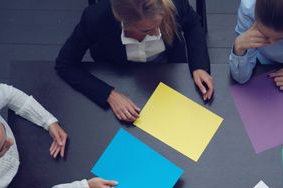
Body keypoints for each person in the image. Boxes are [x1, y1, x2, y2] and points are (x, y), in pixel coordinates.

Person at [55, 0, 213, 122]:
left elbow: (193, 24)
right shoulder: (95, 19)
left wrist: (199, 66)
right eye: (146, 30)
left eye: (159, 23)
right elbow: (65, 64)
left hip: (168, 72)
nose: (158, 33)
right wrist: (109, 94)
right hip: (120, 77)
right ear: (123, 21)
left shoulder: (173, 3)